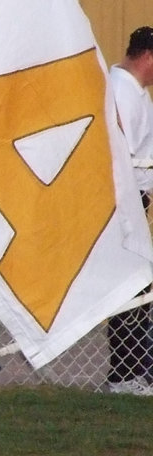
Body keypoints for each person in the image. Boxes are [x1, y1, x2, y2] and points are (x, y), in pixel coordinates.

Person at [104, 26, 153, 396]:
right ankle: (125, 374)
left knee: (139, 286)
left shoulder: (139, 96)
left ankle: (134, 371)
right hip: (121, 201)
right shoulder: (120, 89)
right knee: (132, 286)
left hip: (136, 198)